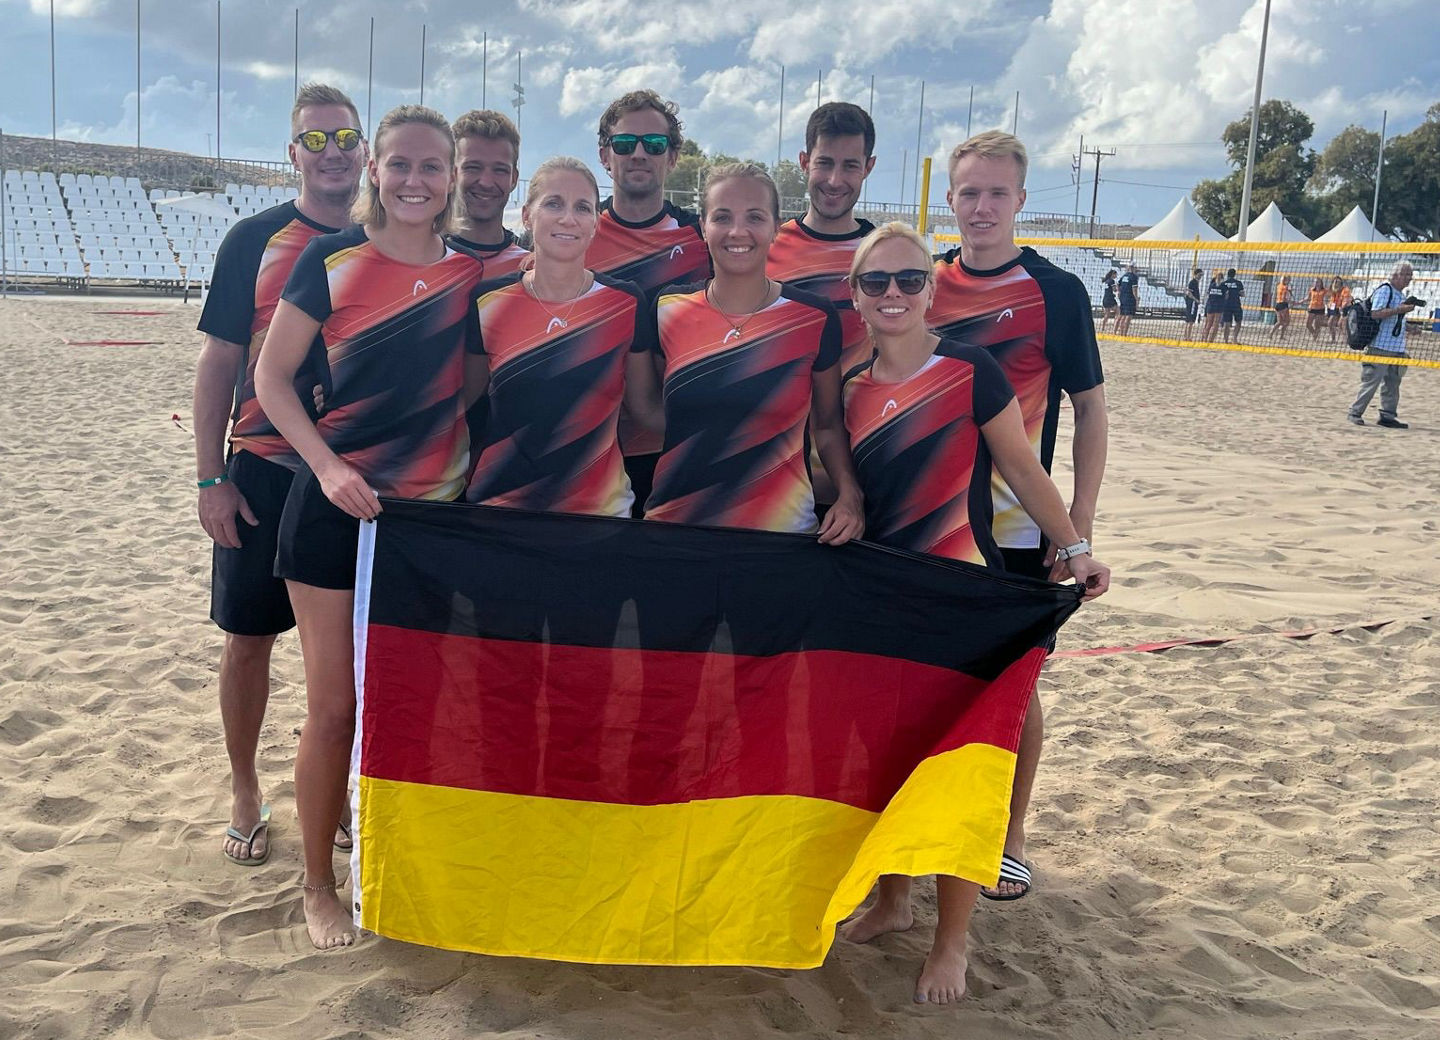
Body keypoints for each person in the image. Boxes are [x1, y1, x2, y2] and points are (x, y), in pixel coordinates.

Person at [840, 221, 1111, 1004]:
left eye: (909, 280)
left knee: (961, 772)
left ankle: (951, 941)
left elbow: (1024, 471)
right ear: (855, 296)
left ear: (931, 289)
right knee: (884, 763)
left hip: (961, 590)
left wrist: (1075, 545)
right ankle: (892, 901)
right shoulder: (847, 382)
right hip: (876, 594)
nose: (893, 294)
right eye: (875, 282)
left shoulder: (970, 369)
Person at [254, 104, 486, 949]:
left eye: (433, 166)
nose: (416, 180)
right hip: (330, 513)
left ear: (452, 175)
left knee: (419, 705)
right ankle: (318, 885)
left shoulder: (472, 272)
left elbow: (468, 383)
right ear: (374, 171)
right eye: (401, 164)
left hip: (430, 522)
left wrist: (437, 460)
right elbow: (271, 378)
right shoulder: (330, 259)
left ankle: (403, 867)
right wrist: (328, 464)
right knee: (335, 709)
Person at [924, 131, 1107, 905]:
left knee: (1015, 686)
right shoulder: (924, 282)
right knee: (929, 683)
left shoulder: (1056, 291)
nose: (983, 207)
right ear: (951, 199)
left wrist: (1080, 528)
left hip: (1018, 529)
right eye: (969, 192)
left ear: (1021, 201)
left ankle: (1011, 835)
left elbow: (1091, 412)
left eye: (998, 193)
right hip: (932, 523)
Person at [192, 83, 366, 870]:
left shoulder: (386, 240)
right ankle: (243, 789)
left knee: (344, 662)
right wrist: (209, 479)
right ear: (293, 153)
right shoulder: (254, 240)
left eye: (345, 138)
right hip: (264, 469)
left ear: (364, 148)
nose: (333, 153)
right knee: (249, 640)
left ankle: (332, 799)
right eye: (316, 141)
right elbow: (220, 363)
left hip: (356, 480)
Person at [644, 162, 863, 539]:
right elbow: (647, 412)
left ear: (776, 225)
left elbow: (826, 427)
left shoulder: (813, 317)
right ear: (703, 224)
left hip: (780, 539)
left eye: (755, 217)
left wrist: (850, 496)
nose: (737, 231)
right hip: (675, 534)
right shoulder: (667, 309)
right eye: (722, 217)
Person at [465, 156, 659, 515]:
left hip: (599, 517)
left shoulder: (626, 303)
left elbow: (647, 411)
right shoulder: (488, 301)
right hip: (500, 512)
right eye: (553, 203)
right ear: (527, 215)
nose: (568, 218)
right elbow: (458, 402)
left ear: (595, 223)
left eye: (582, 207)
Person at [587, 90, 711, 516]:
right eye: (625, 143)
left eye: (653, 144)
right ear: (606, 155)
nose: (638, 153)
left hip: (672, 452)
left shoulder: (703, 240)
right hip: (586, 455)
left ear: (672, 156)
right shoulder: (573, 233)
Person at [766, 101, 877, 505]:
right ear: (803, 161)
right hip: (777, 473)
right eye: (824, 162)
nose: (834, 179)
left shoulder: (884, 255)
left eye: (850, 165)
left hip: (861, 472)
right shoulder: (767, 247)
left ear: (869, 167)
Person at [449, 109, 528, 274]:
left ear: (514, 178)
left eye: (499, 170)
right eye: (473, 167)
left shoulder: (531, 267)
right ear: (452, 173)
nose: (486, 182)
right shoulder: (423, 257)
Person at [1347, 261, 1417, 428]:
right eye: (1406, 275)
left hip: (1396, 348)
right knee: (1371, 382)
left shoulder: (1400, 294)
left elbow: (1394, 319)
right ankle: (1355, 412)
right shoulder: (1385, 290)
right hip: (1380, 347)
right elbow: (1375, 314)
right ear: (1395, 275)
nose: (1409, 278)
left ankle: (1387, 416)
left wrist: (1410, 327)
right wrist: (1399, 310)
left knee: (1393, 383)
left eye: (1410, 275)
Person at [1219, 267, 1244, 343]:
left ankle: (1226, 340)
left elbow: (1221, 295)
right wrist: (1236, 293)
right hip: (1236, 304)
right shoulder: (1238, 283)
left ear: (1228, 274)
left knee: (1227, 323)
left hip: (1226, 305)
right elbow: (1242, 294)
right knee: (1238, 322)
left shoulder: (1223, 283)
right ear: (1234, 274)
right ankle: (1234, 339)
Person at [1115, 263, 1139, 334]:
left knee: (1121, 316)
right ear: (1134, 268)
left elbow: (1117, 284)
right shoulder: (1134, 277)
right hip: (1130, 298)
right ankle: (1124, 333)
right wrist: (1137, 299)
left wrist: (1119, 292)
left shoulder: (1124, 276)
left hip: (1123, 297)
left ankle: (1117, 332)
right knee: (1128, 317)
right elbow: (1134, 290)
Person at [1201, 269, 1225, 342]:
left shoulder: (1212, 285)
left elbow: (1208, 294)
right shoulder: (1223, 286)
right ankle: (1210, 340)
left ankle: (1204, 339)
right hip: (1218, 306)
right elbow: (1226, 296)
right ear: (1222, 279)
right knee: (1215, 324)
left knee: (1208, 324)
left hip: (1210, 305)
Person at [1328, 277, 1352, 344]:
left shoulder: (1345, 290)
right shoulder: (1333, 290)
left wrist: (1341, 309)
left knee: (1341, 324)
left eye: (1337, 282)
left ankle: (1346, 340)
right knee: (1330, 323)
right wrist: (1330, 308)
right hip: (1336, 307)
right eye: (1335, 282)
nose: (1336, 284)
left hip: (1345, 308)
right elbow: (1332, 301)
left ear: (1341, 283)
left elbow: (1345, 301)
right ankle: (1333, 339)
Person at [1269, 275, 1292, 340]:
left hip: (1278, 304)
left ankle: (1271, 334)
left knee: (1280, 322)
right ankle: (1280, 336)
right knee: (1286, 321)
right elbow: (1284, 298)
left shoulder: (1279, 286)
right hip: (1283, 305)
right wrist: (1291, 301)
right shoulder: (1285, 287)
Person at [1183, 267, 1202, 340]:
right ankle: (1188, 336)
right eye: (1199, 275)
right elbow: (1188, 293)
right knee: (1190, 321)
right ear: (1196, 274)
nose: (1200, 277)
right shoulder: (1192, 282)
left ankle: (1186, 336)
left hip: (1192, 303)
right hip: (1192, 303)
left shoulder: (1196, 282)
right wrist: (1196, 300)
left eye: (1201, 275)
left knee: (1189, 321)